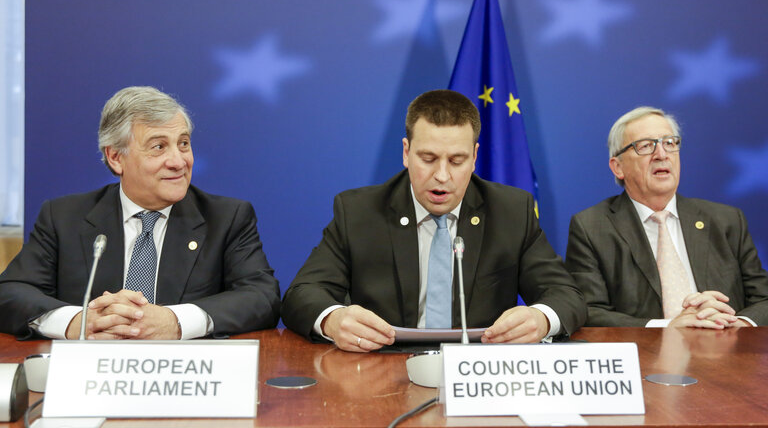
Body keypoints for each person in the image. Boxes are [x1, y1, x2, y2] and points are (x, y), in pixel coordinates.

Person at [282, 89, 586, 352]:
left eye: (456, 160)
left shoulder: (511, 210)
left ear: (475, 156)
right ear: (406, 152)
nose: (442, 176)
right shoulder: (359, 211)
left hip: (480, 369)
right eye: (428, 159)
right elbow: (301, 294)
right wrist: (334, 320)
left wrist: (541, 319)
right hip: (385, 363)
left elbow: (565, 295)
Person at [0, 86, 280, 339]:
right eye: (159, 147)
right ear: (115, 157)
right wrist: (78, 322)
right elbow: (10, 293)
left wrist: (175, 321)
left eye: (183, 143)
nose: (178, 161)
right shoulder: (64, 217)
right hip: (90, 381)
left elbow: (262, 297)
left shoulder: (226, 218)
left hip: (184, 381)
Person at [566, 106, 768, 328]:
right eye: (645, 146)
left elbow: (763, 298)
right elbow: (589, 312)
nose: (661, 155)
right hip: (648, 356)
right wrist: (666, 328)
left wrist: (738, 323)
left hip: (726, 352)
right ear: (618, 167)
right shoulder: (592, 227)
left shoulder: (726, 220)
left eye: (669, 143)